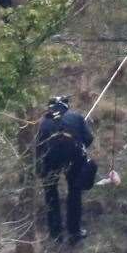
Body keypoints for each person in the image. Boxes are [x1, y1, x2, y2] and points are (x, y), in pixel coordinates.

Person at [36, 95, 94, 244]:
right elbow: (89, 138)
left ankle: (55, 233)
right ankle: (74, 231)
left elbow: (39, 147)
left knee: (51, 193)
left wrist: (39, 169)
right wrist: (79, 143)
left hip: (50, 158)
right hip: (74, 157)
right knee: (74, 192)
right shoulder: (76, 117)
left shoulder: (43, 123)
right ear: (66, 106)